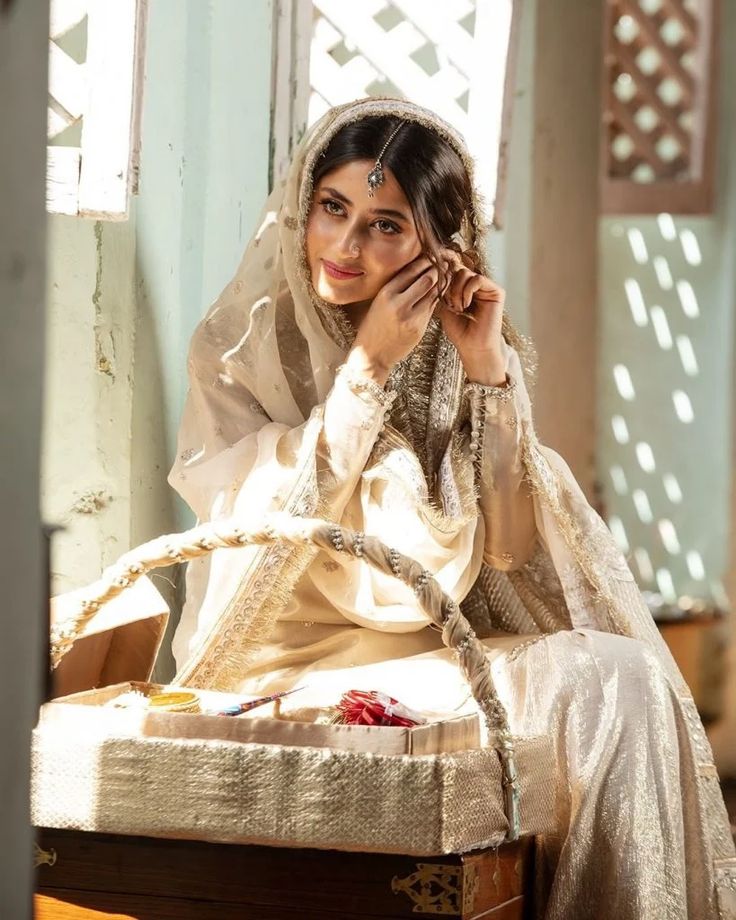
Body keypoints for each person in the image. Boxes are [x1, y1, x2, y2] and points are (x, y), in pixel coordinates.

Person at [168, 97, 736, 918]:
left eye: (387, 224)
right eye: (333, 209)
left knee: (629, 674)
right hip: (284, 666)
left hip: (431, 652)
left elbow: (507, 553)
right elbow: (257, 535)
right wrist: (363, 374)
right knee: (598, 684)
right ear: (303, 204)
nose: (347, 246)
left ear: (440, 247)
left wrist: (487, 375)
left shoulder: (448, 343)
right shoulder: (241, 348)